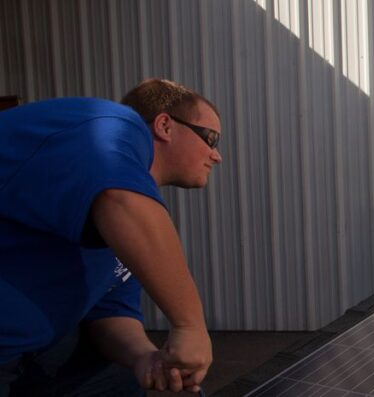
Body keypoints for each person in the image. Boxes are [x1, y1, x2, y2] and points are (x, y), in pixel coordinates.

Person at [0, 79, 222, 395]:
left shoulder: (122, 224)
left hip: (37, 345)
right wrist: (191, 326)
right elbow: (121, 200)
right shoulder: (108, 123)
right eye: (211, 139)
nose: (217, 156)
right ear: (164, 126)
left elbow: (109, 312)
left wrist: (144, 357)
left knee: (119, 379)